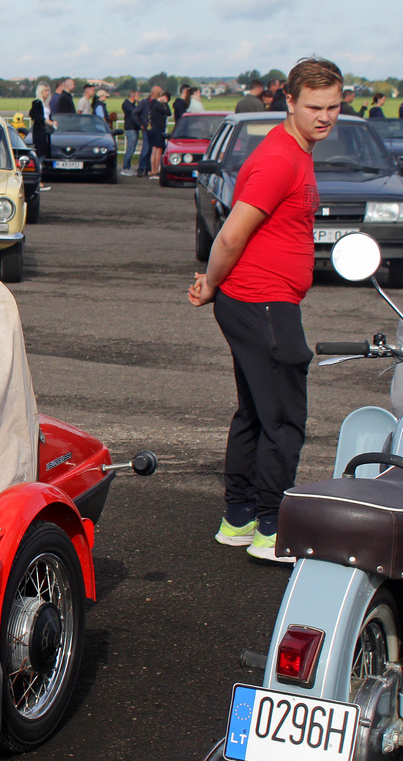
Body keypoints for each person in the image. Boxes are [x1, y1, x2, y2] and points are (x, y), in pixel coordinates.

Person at [187, 57, 344, 563]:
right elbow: (232, 232)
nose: (325, 117)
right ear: (290, 103)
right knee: (285, 420)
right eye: (315, 107)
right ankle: (273, 530)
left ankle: (239, 519)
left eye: (334, 107)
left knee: (257, 411)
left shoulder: (297, 149)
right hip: (262, 302)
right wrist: (211, 282)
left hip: (259, 300)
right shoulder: (280, 159)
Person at [29, 82, 53, 175]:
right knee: (39, 153)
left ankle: (39, 176)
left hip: (46, 131)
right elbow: (34, 114)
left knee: (44, 154)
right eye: (45, 91)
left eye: (48, 91)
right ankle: (38, 177)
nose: (47, 93)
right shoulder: (37, 103)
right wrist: (46, 121)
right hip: (39, 132)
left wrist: (52, 122)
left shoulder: (46, 104)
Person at [147, 86, 170, 179]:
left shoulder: (153, 104)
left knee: (154, 150)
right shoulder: (159, 105)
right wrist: (165, 103)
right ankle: (156, 170)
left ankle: (153, 170)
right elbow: (168, 113)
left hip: (153, 128)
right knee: (158, 150)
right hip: (158, 129)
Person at [121, 89, 140, 176]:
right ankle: (125, 168)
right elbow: (135, 112)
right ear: (133, 96)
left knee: (132, 149)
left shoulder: (131, 105)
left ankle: (127, 167)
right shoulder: (127, 104)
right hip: (130, 128)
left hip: (134, 128)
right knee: (130, 148)